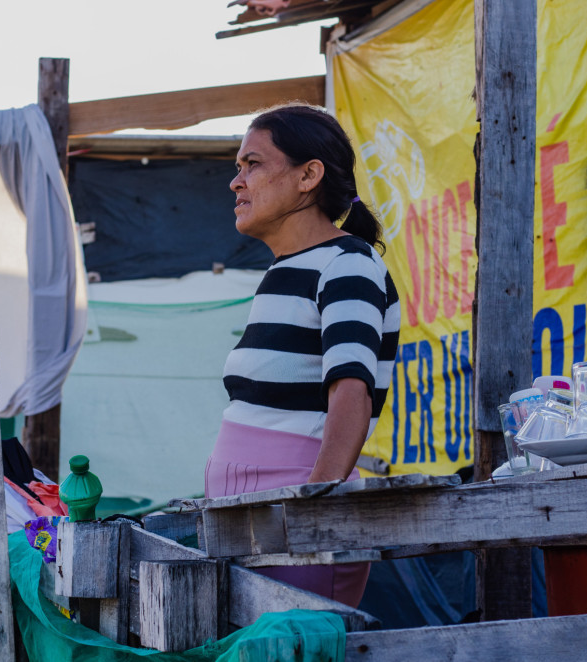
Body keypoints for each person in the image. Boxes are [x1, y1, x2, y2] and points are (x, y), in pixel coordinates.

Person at [205, 104, 400, 608]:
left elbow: (351, 393)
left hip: (297, 529)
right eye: (237, 168)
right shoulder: (285, 271)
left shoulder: (348, 265)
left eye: (253, 164)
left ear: (308, 175)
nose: (237, 182)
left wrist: (312, 515)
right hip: (251, 521)